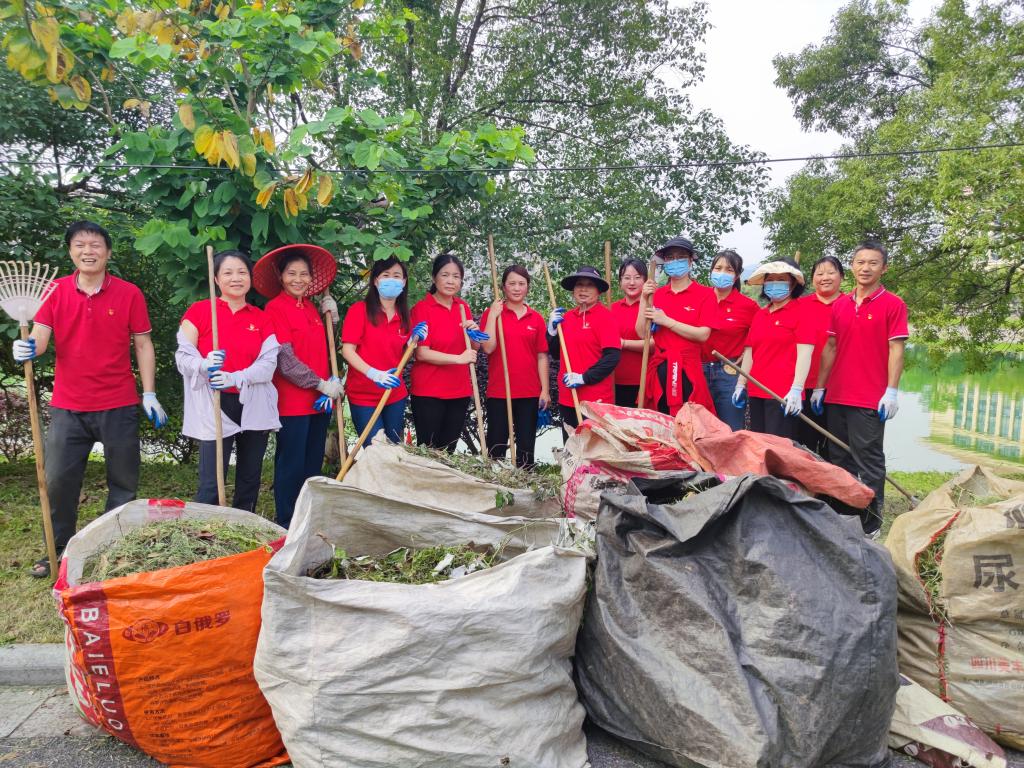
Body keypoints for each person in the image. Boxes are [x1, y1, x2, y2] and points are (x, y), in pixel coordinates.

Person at [12, 220, 166, 578]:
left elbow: (143, 344)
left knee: (124, 483)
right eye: (80, 245)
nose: (88, 250)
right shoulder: (54, 291)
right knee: (58, 481)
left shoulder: (129, 293)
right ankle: (57, 549)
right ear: (70, 252)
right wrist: (28, 348)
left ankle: (113, 548)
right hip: (69, 405)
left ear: (108, 252)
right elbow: (42, 337)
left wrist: (149, 393)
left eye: (96, 245)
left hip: (118, 402)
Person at [812, 240, 908, 536]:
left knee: (868, 459)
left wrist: (891, 391)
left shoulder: (893, 304)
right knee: (839, 458)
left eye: (873, 263)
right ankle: (844, 513)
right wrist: (819, 387)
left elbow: (896, 349)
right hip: (837, 394)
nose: (865, 268)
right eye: (860, 262)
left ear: (884, 268)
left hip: (869, 398)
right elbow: (830, 347)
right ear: (852, 266)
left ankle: (871, 521)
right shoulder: (840, 304)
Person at [176, 250, 279, 512]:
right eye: (228, 273)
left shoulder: (261, 317)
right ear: (216, 278)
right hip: (214, 402)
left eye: (242, 272)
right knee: (212, 480)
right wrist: (204, 364)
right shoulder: (199, 311)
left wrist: (236, 376)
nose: (236, 278)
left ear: (250, 277)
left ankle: (244, 528)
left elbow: (268, 365)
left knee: (249, 476)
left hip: (253, 402)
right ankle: (206, 532)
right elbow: (182, 359)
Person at [254, 244, 341, 528]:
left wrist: (333, 319)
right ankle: (287, 520)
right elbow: (285, 359)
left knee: (312, 462)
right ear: (281, 276)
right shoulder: (275, 308)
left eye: (304, 274)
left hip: (320, 401)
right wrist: (319, 384)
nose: (299, 279)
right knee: (291, 463)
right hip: (293, 401)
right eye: (292, 273)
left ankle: (309, 517)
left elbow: (322, 349)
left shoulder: (314, 307)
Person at [342, 256, 427, 445]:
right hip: (363, 395)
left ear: (404, 282)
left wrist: (415, 339)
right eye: (385, 275)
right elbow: (347, 351)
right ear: (375, 280)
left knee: (394, 449)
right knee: (376, 451)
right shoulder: (359, 311)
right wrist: (373, 374)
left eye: (397, 276)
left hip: (394, 394)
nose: (391, 279)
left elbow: (404, 353)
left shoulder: (404, 316)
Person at [410, 254, 488, 452]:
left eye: (456, 276)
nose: (451, 281)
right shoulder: (422, 308)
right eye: (445, 275)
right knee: (427, 452)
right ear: (434, 277)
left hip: (458, 389)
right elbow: (421, 353)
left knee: (447, 452)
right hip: (429, 390)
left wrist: (474, 335)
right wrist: (458, 359)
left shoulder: (463, 307)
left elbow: (474, 349)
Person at [732, 258, 815, 440]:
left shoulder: (803, 313)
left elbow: (805, 354)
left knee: (779, 450)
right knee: (758, 446)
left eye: (781, 279)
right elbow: (750, 352)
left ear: (793, 284)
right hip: (756, 391)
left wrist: (796, 389)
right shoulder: (761, 315)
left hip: (783, 395)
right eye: (770, 280)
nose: (774, 284)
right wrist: (741, 384)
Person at [635, 235, 716, 416]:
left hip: (689, 370)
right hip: (660, 370)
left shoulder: (706, 294)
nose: (674, 261)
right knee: (660, 425)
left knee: (691, 425)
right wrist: (644, 298)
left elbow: (703, 335)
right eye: (670, 258)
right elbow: (642, 333)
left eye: (680, 257)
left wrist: (668, 322)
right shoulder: (658, 294)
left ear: (690, 262)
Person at [480, 265, 550, 467]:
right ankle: (494, 489)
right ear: (503, 287)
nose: (517, 288)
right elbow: (488, 347)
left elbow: (542, 356)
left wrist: (544, 390)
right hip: (500, 391)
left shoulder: (535, 318)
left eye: (521, 283)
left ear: (528, 287)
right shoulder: (493, 314)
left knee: (526, 448)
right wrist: (493, 315)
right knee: (496, 445)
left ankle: (525, 489)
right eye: (512, 283)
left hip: (528, 392)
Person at [547, 265, 620, 437]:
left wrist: (584, 378)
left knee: (594, 451)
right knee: (572, 447)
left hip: (596, 398)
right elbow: (557, 354)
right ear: (573, 290)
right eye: (580, 284)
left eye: (589, 285)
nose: (583, 289)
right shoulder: (567, 318)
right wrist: (551, 331)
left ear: (598, 291)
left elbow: (612, 357)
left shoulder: (605, 317)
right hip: (568, 396)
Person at [701, 249, 757, 430]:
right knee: (700, 429)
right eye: (718, 268)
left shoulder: (748, 306)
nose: (722, 273)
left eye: (729, 270)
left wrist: (746, 352)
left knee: (731, 430)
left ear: (737, 275)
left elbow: (761, 336)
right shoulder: (701, 298)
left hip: (729, 372)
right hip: (698, 369)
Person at [798, 256, 845, 455]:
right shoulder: (800, 305)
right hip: (805, 386)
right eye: (819, 273)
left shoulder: (850, 305)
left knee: (836, 446)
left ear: (841, 276)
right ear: (812, 279)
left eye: (831, 272)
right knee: (804, 444)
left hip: (840, 389)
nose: (825, 277)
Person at [610, 258, 647, 407]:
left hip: (644, 381)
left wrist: (623, 343)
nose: (632, 282)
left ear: (645, 281)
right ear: (620, 282)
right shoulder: (611, 309)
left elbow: (656, 344)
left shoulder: (652, 308)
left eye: (637, 277)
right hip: (614, 381)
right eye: (627, 278)